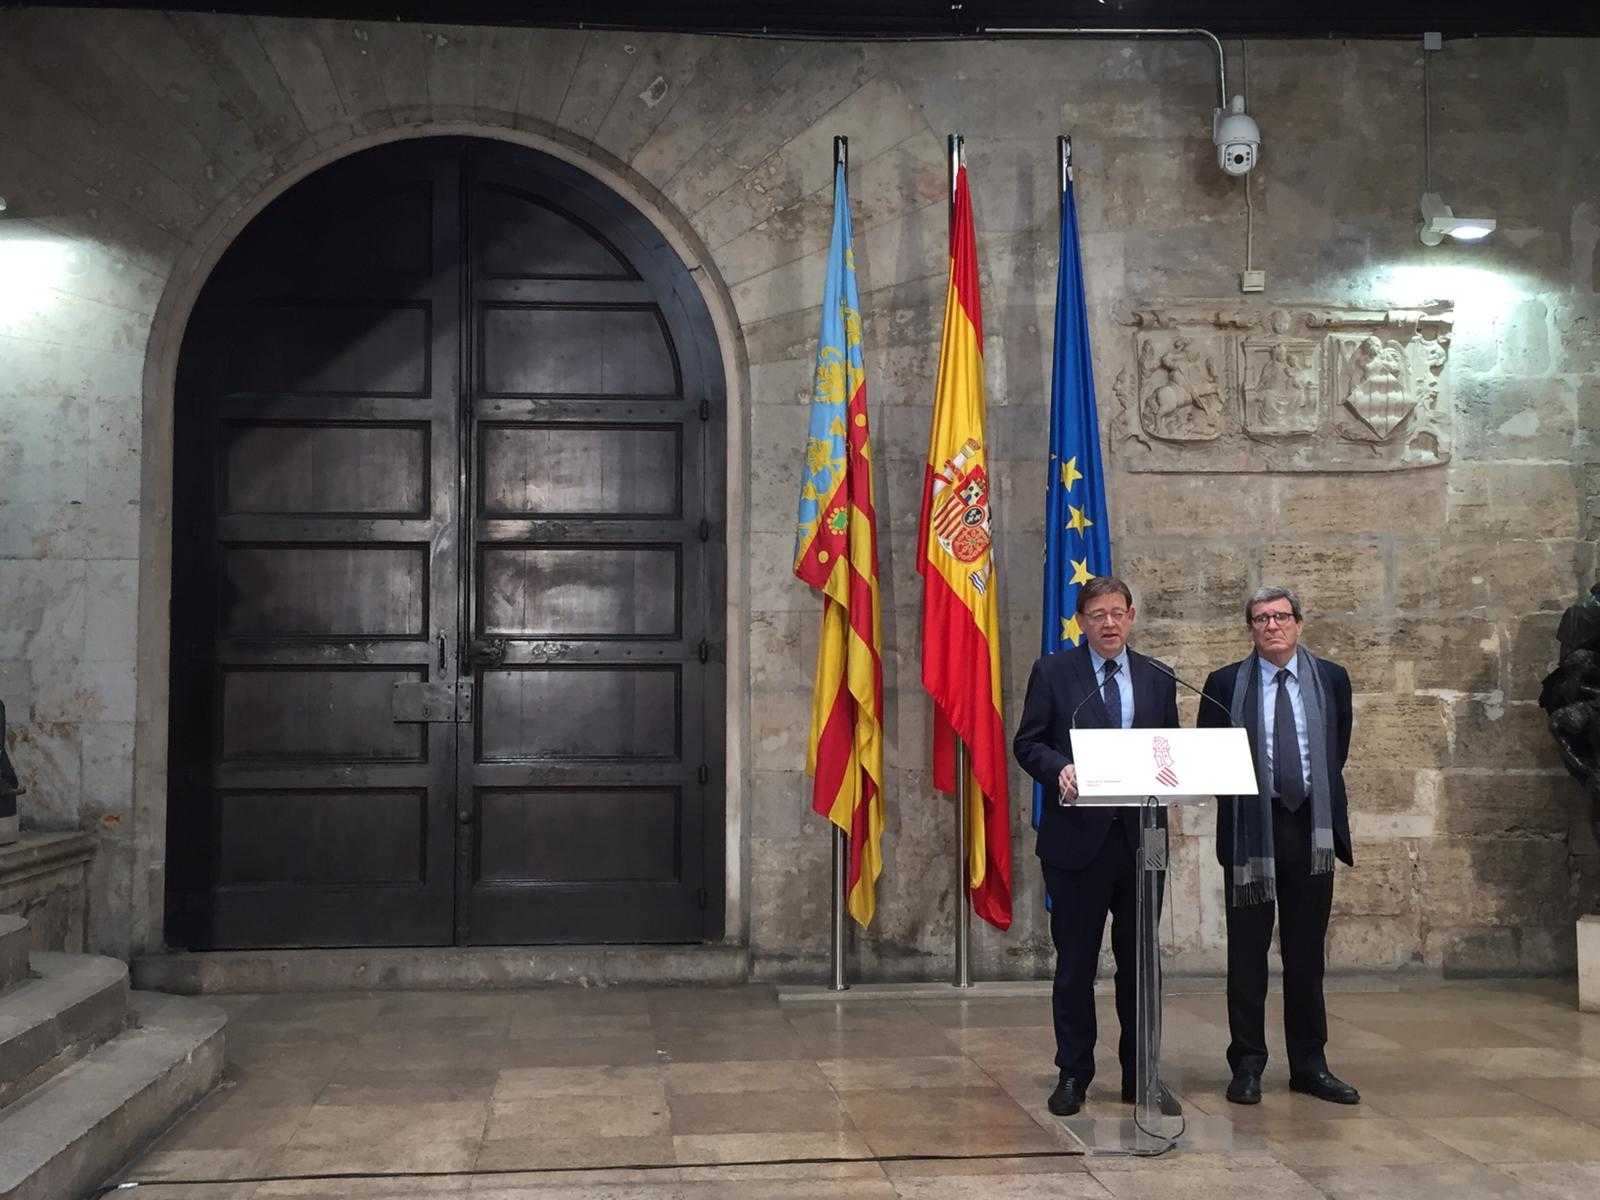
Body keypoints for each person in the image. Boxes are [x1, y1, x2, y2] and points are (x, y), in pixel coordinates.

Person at [1013, 576, 1180, 1117]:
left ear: (1131, 616)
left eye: (1117, 613)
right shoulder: (1054, 673)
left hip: (1142, 842)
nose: (1108, 623)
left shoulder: (1157, 676)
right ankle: (1073, 1074)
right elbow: (1028, 742)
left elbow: (1169, 749)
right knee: (1075, 965)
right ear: (1082, 622)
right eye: (1096, 614)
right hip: (1077, 843)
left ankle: (1143, 1076)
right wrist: (1058, 767)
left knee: (1142, 965)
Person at [1198, 586, 1360, 1106]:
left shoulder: (1331, 678)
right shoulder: (1224, 683)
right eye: (1261, 618)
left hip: (1311, 831)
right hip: (1253, 835)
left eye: (1281, 616)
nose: (1272, 626)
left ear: (1298, 622)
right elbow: (1212, 758)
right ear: (1250, 628)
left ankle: (1310, 1065)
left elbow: (1338, 748)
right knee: (1246, 956)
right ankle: (1247, 1065)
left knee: (1305, 954)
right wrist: (1251, 806)